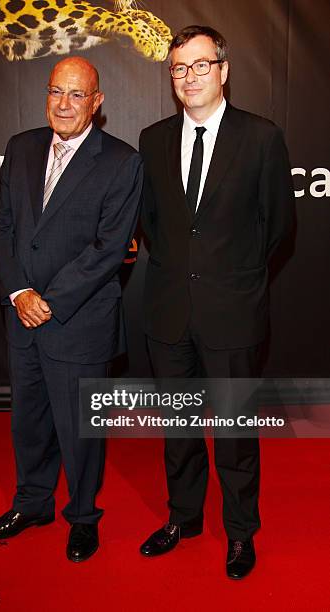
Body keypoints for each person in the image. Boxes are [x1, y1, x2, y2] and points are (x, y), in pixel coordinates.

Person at [139, 25, 294, 578]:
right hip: (168, 314)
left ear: (224, 70)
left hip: (233, 314)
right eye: (179, 68)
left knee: (233, 433)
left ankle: (239, 533)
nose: (190, 76)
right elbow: (154, 223)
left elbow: (278, 228)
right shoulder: (153, 139)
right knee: (178, 430)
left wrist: (235, 280)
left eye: (201, 65)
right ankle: (184, 517)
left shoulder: (261, 137)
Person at [0, 57, 142, 563]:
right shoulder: (20, 146)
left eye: (77, 95)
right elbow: (2, 228)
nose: (65, 104)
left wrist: (49, 301)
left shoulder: (121, 161)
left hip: (79, 320)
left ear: (96, 103)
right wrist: (19, 294)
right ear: (46, 95)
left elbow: (109, 247)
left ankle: (82, 518)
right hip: (22, 315)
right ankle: (32, 504)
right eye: (57, 92)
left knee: (79, 432)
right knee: (28, 422)